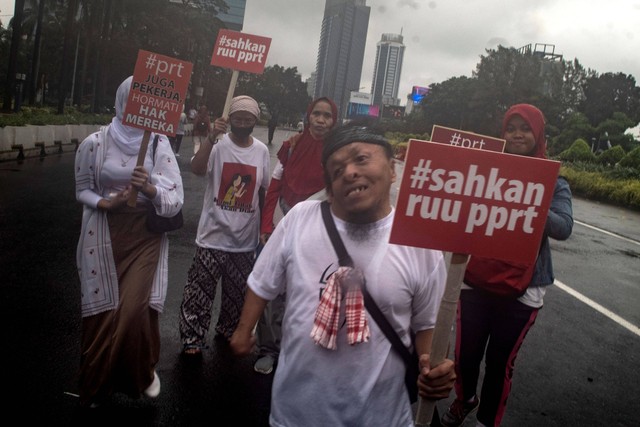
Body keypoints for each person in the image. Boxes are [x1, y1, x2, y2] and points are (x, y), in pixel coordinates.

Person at [230, 124, 456, 426]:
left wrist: (433, 369)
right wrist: (244, 330)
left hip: (381, 417)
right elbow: (262, 281)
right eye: (336, 170)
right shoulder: (300, 220)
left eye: (361, 159)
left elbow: (428, 323)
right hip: (294, 413)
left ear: (392, 169)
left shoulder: (417, 242)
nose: (348, 172)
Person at [440, 104, 574, 427]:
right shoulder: (488, 168)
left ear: (538, 134)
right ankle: (465, 398)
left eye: (525, 128)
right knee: (466, 354)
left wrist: (530, 200)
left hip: (523, 287)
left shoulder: (555, 181)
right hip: (476, 278)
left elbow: (564, 227)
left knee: (500, 362)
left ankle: (487, 420)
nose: (517, 134)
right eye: (511, 128)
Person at [74, 76, 184, 408]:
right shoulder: (94, 143)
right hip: (103, 234)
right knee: (102, 313)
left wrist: (149, 187)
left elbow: (175, 196)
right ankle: (96, 385)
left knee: (134, 311)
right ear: (123, 99)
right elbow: (82, 190)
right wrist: (106, 203)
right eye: (134, 98)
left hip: (145, 236)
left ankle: (141, 374)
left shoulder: (157, 143)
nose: (140, 106)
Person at [179, 95, 270, 357]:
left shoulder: (262, 151)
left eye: (248, 119)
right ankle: (192, 337)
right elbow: (196, 168)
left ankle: (229, 329)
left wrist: (265, 227)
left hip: (244, 240)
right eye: (237, 118)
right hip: (212, 236)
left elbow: (262, 192)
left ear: (255, 121)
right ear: (229, 119)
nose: (242, 122)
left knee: (236, 295)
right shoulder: (218, 146)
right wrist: (210, 138)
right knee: (199, 292)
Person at [253, 97, 338, 375]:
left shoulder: (339, 153)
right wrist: (267, 225)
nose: (321, 120)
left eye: (327, 116)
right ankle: (269, 348)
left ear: (334, 121)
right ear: (309, 116)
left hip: (319, 231)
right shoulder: (290, 147)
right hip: (283, 223)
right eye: (317, 114)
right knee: (274, 287)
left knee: (310, 291)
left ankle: (299, 351)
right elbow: (274, 187)